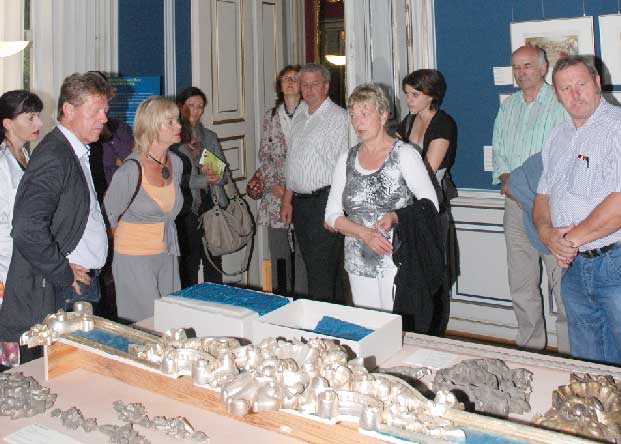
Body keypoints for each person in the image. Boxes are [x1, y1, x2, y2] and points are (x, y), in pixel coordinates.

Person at [0, 72, 111, 364]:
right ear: (69, 110)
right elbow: (25, 227)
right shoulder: (54, 155)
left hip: (75, 284)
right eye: (95, 111)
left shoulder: (73, 150)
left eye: (105, 111)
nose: (103, 118)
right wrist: (61, 270)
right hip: (64, 288)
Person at [534, 55, 621, 364]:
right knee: (588, 367)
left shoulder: (617, 128)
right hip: (572, 269)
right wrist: (547, 234)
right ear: (556, 94)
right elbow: (542, 195)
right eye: (565, 88)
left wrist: (568, 241)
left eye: (581, 84)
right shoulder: (557, 136)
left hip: (614, 263)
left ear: (597, 83)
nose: (575, 94)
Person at [325, 83, 438, 311]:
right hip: (357, 259)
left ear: (384, 116)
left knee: (395, 327)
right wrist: (364, 233)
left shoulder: (404, 154)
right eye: (353, 115)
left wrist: (396, 216)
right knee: (368, 327)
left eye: (365, 115)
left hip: (395, 257)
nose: (357, 122)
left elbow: (431, 204)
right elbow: (331, 215)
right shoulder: (347, 158)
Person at [492, 45, 569, 353]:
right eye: (516, 67)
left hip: (554, 211)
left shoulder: (560, 103)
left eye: (526, 66)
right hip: (515, 208)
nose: (521, 73)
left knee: (563, 285)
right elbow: (500, 156)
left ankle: (571, 355)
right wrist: (511, 184)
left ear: (542, 68)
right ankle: (530, 349)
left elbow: (563, 158)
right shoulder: (508, 107)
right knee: (522, 285)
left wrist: (531, 193)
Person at [104, 97, 183, 322]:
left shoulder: (175, 163)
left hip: (167, 252)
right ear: (151, 127)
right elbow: (107, 216)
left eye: (177, 120)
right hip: (134, 256)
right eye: (170, 122)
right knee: (145, 327)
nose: (178, 126)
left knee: (170, 322)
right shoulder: (130, 170)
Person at [280, 63, 349, 303]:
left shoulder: (339, 118)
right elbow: (293, 161)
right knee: (317, 270)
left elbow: (344, 169)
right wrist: (287, 200)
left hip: (324, 202)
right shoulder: (300, 115)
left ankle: (322, 334)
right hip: (301, 205)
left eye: (314, 84)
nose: (308, 90)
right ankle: (337, 325)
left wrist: (334, 212)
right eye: (304, 84)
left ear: (327, 86)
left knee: (321, 273)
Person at [399, 69, 457, 335]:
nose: (409, 99)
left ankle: (434, 331)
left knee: (434, 272)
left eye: (415, 94)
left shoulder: (443, 123)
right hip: (409, 207)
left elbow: (427, 171)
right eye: (407, 93)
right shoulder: (408, 121)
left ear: (431, 96)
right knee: (411, 272)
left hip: (432, 208)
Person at [253, 65, 307, 296]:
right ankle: (281, 297)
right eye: (286, 78)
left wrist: (293, 189)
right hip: (276, 194)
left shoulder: (312, 113)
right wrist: (276, 186)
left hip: (304, 193)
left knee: (304, 251)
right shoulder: (271, 116)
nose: (290, 82)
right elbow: (264, 153)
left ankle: (304, 296)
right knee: (279, 250)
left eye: (295, 79)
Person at [171, 86, 232, 287]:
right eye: (190, 105)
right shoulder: (173, 139)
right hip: (185, 208)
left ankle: (216, 307)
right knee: (189, 262)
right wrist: (205, 180)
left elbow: (224, 174)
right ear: (180, 107)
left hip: (211, 204)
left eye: (199, 107)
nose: (194, 111)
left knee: (214, 261)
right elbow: (175, 178)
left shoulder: (209, 137)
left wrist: (217, 176)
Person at [0, 90, 43, 368]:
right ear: (8, 123)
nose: (38, 122)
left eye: (38, 115)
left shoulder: (25, 154)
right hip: (6, 262)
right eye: (30, 117)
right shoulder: (2, 163)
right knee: (10, 344)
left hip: (26, 258)